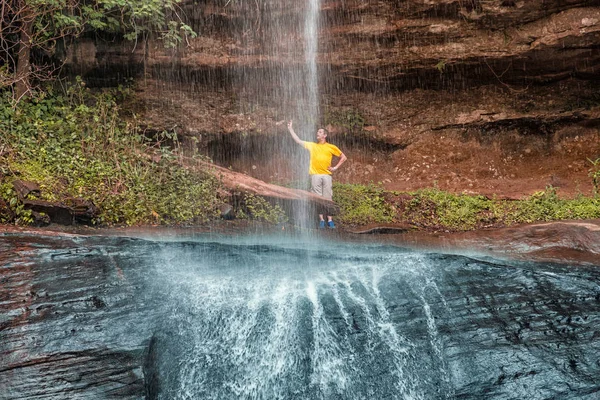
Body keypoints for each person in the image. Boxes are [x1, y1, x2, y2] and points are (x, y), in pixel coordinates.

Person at [287, 120, 347, 228]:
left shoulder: (331, 147)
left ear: (325, 135)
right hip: (315, 175)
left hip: (327, 175)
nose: (317, 134)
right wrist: (290, 129)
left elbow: (344, 157)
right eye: (317, 132)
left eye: (319, 132)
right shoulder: (312, 146)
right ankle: (322, 220)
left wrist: (335, 167)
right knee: (317, 198)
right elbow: (298, 141)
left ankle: (330, 220)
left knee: (328, 197)